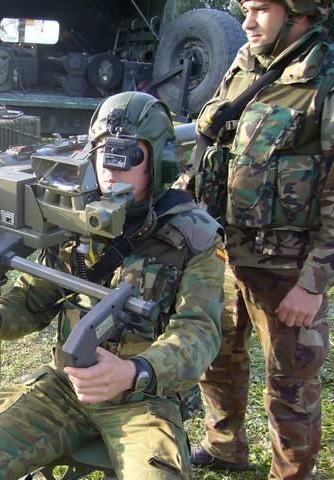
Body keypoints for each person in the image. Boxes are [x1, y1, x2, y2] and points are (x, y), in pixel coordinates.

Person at [0, 92, 227, 479]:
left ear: (160, 162)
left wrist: (134, 371)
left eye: (128, 155)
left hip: (141, 398)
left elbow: (199, 332)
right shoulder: (72, 218)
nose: (111, 169)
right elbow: (36, 296)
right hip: (65, 386)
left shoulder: (194, 235)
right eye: (103, 152)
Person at [179, 1, 334, 478]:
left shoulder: (325, 81)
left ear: (300, 12)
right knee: (216, 358)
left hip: (287, 269)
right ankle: (225, 447)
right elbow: (213, 148)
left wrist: (312, 284)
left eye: (261, 9)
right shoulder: (245, 65)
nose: (246, 22)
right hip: (223, 252)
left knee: (291, 382)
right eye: (245, 9)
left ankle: (292, 473)